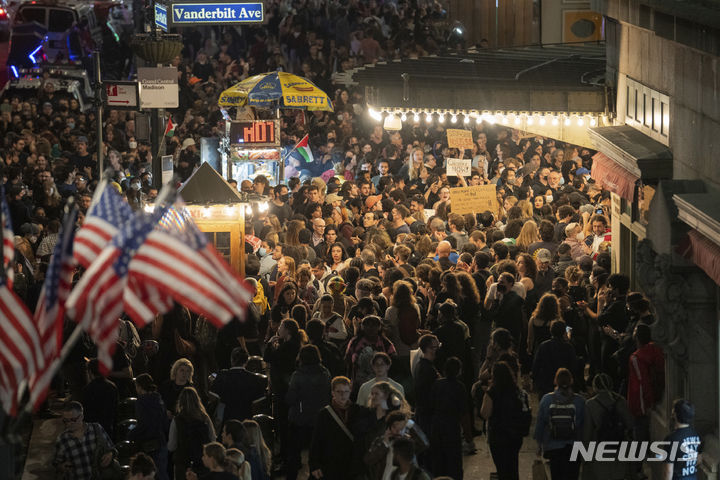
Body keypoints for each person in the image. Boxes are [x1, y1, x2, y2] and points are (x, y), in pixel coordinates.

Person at [309, 376, 373, 480]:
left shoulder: (358, 411)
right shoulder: (324, 414)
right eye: (339, 392)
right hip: (331, 463)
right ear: (332, 393)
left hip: (351, 464)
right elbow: (316, 440)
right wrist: (314, 464)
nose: (343, 395)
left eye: (346, 391)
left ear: (350, 392)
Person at [285, 345, 332, 480]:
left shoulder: (297, 375)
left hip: (299, 419)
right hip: (319, 419)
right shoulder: (325, 374)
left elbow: (290, 398)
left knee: (294, 454)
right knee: (316, 455)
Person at [481, 361, 531, 480]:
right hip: (515, 435)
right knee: (513, 466)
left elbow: (485, 413)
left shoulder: (492, 392)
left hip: (498, 436)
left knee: (502, 470)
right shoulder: (518, 392)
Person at [534, 368, 586, 480]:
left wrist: (539, 446)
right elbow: (583, 426)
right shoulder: (580, 401)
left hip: (553, 447)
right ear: (571, 381)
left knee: (556, 475)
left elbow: (540, 424)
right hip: (573, 446)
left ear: (555, 381)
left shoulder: (546, 399)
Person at [581, 374, 633, 480]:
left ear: (595, 387)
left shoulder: (590, 404)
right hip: (619, 448)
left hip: (599, 450)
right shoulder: (621, 401)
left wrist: (585, 457)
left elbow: (587, 433)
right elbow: (631, 425)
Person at [53, 401, 117, 480]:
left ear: (82, 416)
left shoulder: (96, 428)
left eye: (73, 420)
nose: (69, 424)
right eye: (65, 421)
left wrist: (110, 454)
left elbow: (112, 449)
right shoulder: (62, 439)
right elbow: (56, 463)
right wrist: (61, 467)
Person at [430, 357, 468, 478]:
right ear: (459, 371)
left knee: (438, 463)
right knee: (454, 464)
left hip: (437, 428)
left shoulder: (437, 384)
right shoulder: (460, 387)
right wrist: (468, 436)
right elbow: (464, 413)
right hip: (452, 428)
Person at [168, 387, 215, 480]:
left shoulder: (177, 420)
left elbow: (171, 446)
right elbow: (213, 439)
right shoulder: (205, 418)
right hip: (202, 462)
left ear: (180, 402)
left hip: (183, 465)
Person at [211, 347, 268, 423]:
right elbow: (257, 404)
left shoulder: (222, 376)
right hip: (245, 420)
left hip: (226, 421)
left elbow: (213, 399)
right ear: (246, 361)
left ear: (231, 360)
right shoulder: (254, 379)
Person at [131, 374, 170, 480]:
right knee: (162, 473)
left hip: (149, 444)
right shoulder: (159, 399)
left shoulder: (141, 401)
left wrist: (131, 434)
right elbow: (165, 422)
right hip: (161, 441)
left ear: (139, 386)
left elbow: (143, 424)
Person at [532, 320, 578, 400]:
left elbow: (536, 366)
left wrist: (536, 381)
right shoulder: (568, 347)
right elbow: (574, 367)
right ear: (564, 332)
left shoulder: (543, 346)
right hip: (563, 385)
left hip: (545, 384)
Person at [663, 399, 702, 480]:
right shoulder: (696, 435)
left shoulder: (671, 439)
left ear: (675, 415)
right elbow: (699, 460)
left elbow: (668, 471)